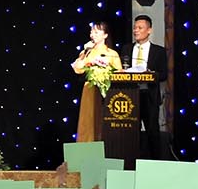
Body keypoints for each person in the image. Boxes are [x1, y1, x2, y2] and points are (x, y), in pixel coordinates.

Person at [70, 21, 123, 144]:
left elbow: (119, 73)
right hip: (90, 89)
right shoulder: (87, 52)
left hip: (108, 92)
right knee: (88, 120)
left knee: (103, 120)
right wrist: (86, 56)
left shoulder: (112, 54)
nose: (93, 35)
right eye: (92, 32)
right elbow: (77, 69)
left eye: (96, 32)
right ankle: (87, 147)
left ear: (105, 35)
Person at [129, 14, 170, 156]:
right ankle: (131, 160)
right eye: (135, 28)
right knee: (131, 131)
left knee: (152, 131)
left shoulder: (158, 51)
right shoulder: (126, 49)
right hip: (131, 96)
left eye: (140, 28)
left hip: (149, 96)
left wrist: (151, 74)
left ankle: (154, 161)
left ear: (149, 30)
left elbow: (164, 75)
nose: (136, 31)